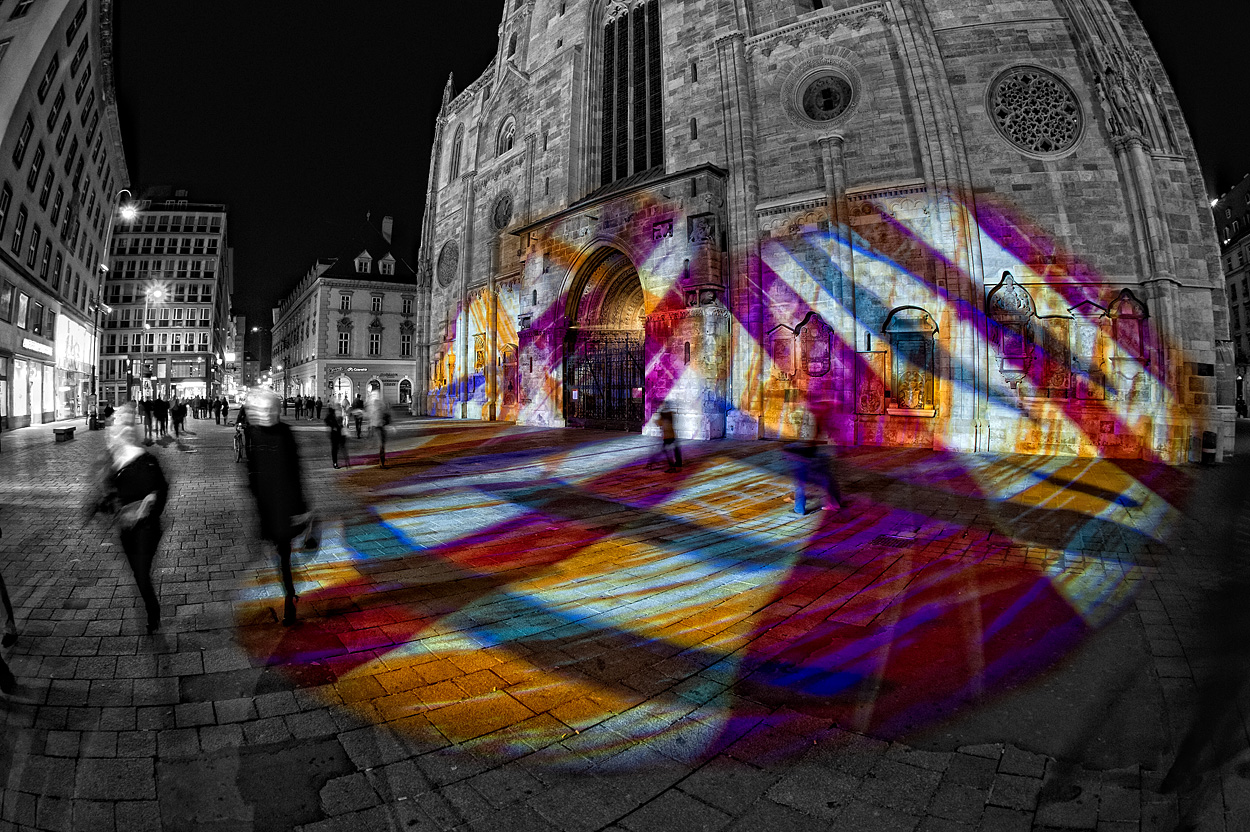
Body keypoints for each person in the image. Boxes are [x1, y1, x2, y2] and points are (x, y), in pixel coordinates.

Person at [93, 402, 170, 632]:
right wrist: (103, 506)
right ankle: (152, 608)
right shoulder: (113, 463)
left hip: (147, 527)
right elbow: (108, 497)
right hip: (127, 528)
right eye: (120, 424)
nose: (125, 429)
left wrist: (152, 500)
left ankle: (152, 612)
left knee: (142, 571)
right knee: (139, 573)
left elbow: (162, 488)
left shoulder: (147, 459)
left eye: (129, 424)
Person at [244, 388, 311, 625]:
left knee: (283, 554)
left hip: (285, 501)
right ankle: (289, 587)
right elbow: (251, 466)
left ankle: (289, 597)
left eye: (272, 409)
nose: (269, 413)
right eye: (264, 409)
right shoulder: (254, 432)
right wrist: (254, 488)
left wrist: (302, 506)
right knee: (278, 553)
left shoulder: (286, 433)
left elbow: (295, 470)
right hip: (266, 504)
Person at [783, 408, 843, 515]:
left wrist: (805, 449)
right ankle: (834, 503)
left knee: (803, 478)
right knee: (825, 479)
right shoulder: (823, 415)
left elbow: (817, 436)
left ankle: (799, 508)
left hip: (818, 452)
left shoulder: (822, 416)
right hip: (819, 451)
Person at [648, 408, 682, 473]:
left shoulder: (664, 418)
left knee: (667, 451)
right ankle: (677, 465)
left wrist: (656, 419)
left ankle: (673, 466)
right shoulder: (669, 417)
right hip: (672, 436)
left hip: (668, 438)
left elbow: (659, 423)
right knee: (674, 451)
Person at [366, 392, 390, 467]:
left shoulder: (373, 406)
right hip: (378, 427)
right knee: (381, 445)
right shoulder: (378, 405)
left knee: (381, 445)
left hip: (377, 427)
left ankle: (381, 461)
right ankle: (381, 461)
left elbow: (370, 417)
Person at [325, 404, 348, 468]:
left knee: (340, 447)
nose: (339, 410)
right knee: (335, 448)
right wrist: (333, 426)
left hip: (340, 433)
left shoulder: (340, 415)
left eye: (339, 409)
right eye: (337, 409)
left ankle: (344, 461)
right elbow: (326, 421)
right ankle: (335, 463)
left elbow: (342, 424)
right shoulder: (331, 415)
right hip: (334, 434)